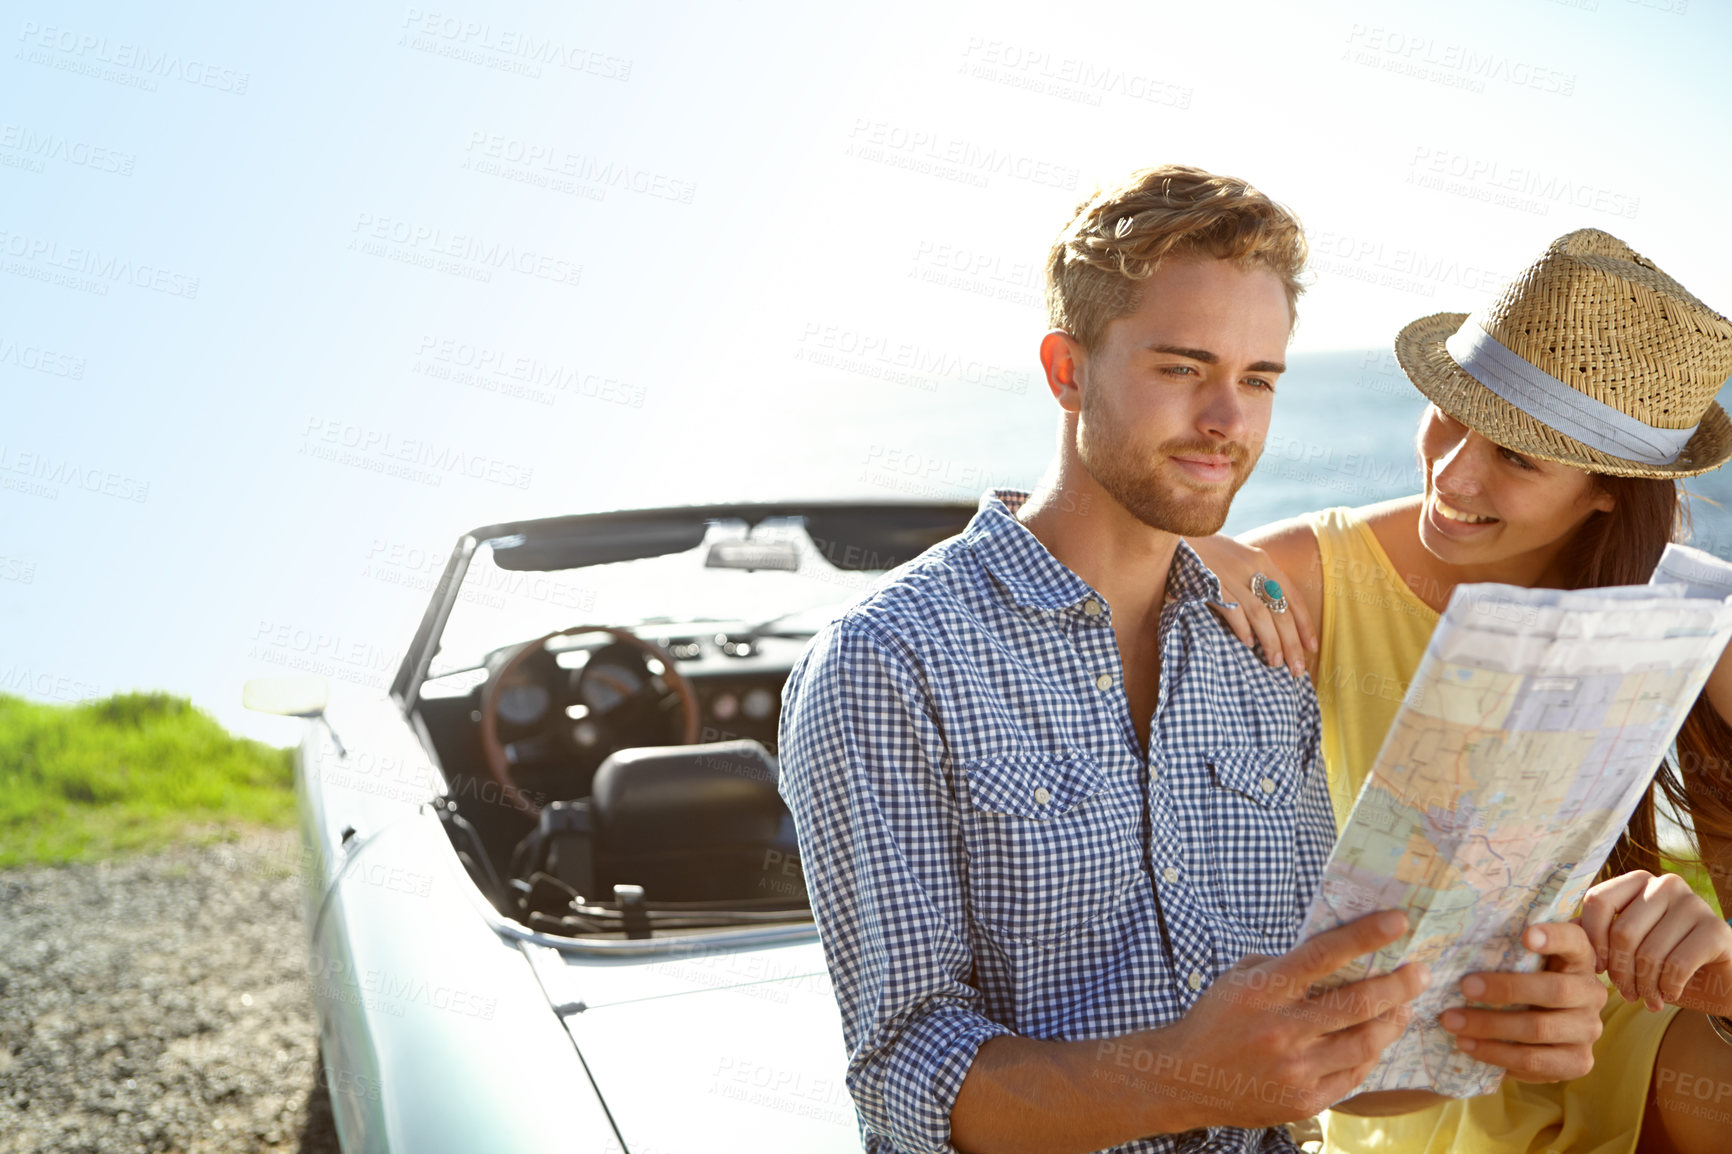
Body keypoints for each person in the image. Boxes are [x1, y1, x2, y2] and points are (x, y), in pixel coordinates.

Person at [776, 166, 1606, 1154]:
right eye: (1181, 368)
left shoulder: (1262, 650)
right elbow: (904, 1075)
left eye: (1257, 379)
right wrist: (1184, 1076)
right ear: (1066, 369)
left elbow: (1313, 1040)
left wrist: (1488, 1019)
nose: (1228, 422)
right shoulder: (889, 661)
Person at [1187, 227, 1732, 1154]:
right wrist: (1190, 554)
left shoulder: (1692, 621)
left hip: (1605, 1032)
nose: (1452, 472)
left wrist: (1713, 968)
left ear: (1608, 493)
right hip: (1403, 1063)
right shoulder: (1305, 575)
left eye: (1519, 458)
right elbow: (1090, 566)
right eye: (1450, 414)